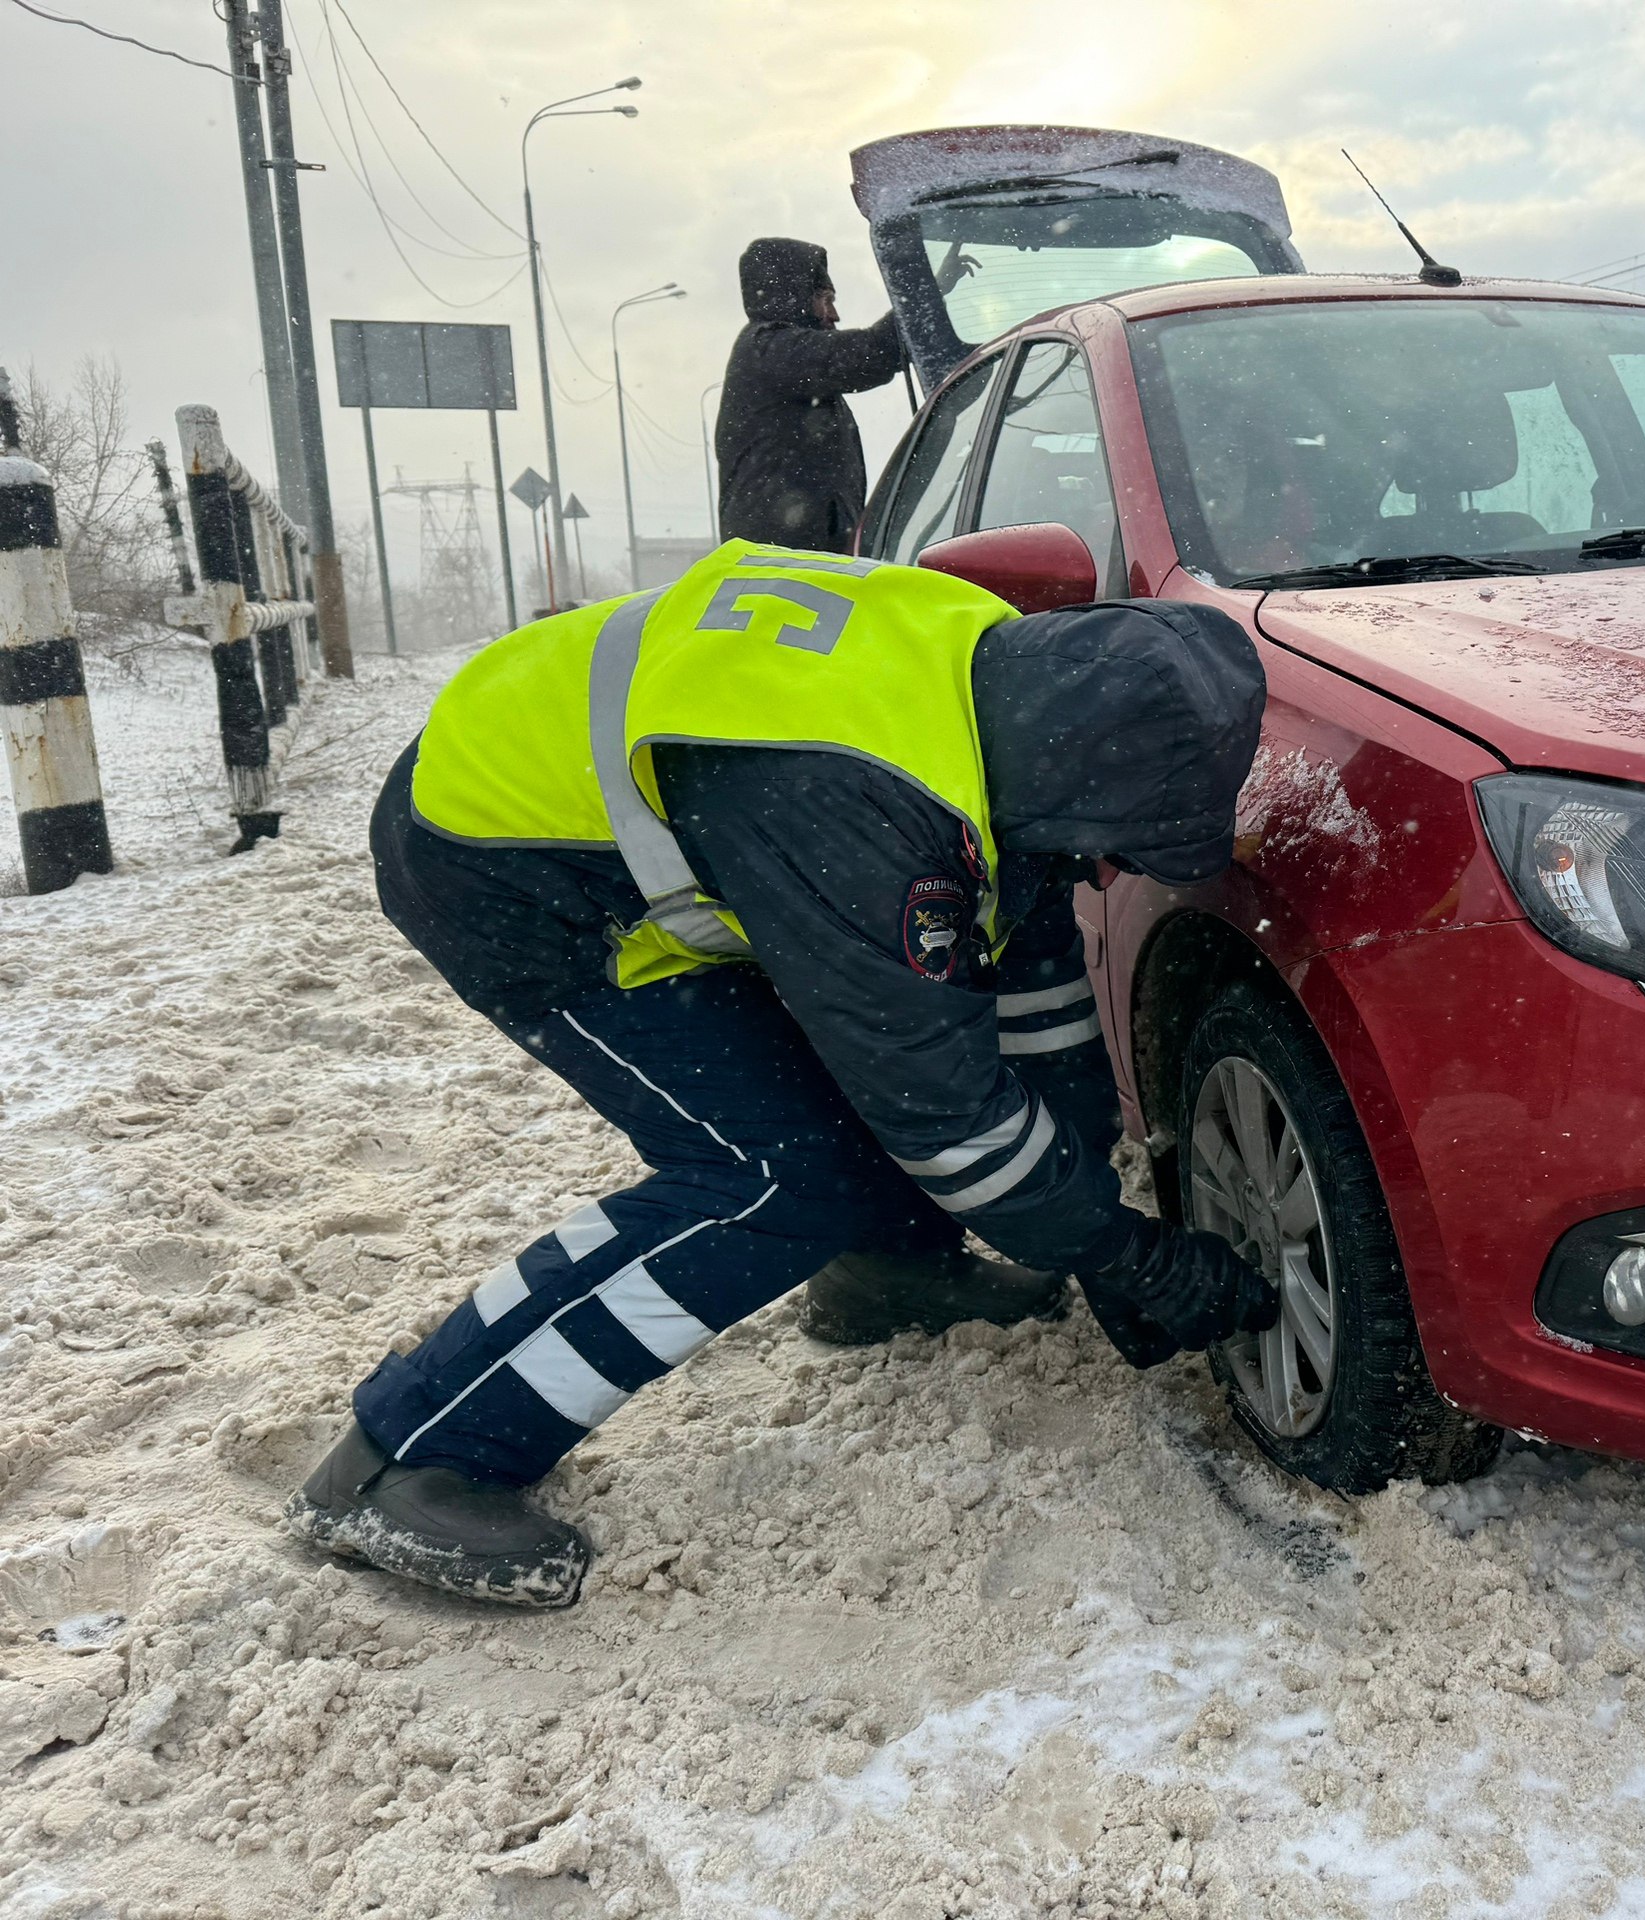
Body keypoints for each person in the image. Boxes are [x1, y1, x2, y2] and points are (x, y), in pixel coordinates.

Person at [283, 540, 1277, 1608]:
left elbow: (1027, 989)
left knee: (847, 1123)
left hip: (647, 801)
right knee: (771, 1175)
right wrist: (1120, 1249)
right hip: (503, 864)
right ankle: (417, 1455)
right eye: (1117, 842)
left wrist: (1079, 1217)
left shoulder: (992, 682)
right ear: (1074, 780)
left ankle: (891, 1278)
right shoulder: (864, 811)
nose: (1112, 869)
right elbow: (942, 1111)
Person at [714, 237, 969, 551]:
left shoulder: (789, 367)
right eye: (824, 298)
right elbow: (868, 354)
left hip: (798, 562)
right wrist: (926, 291)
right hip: (784, 569)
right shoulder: (769, 349)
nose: (833, 314)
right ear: (792, 297)